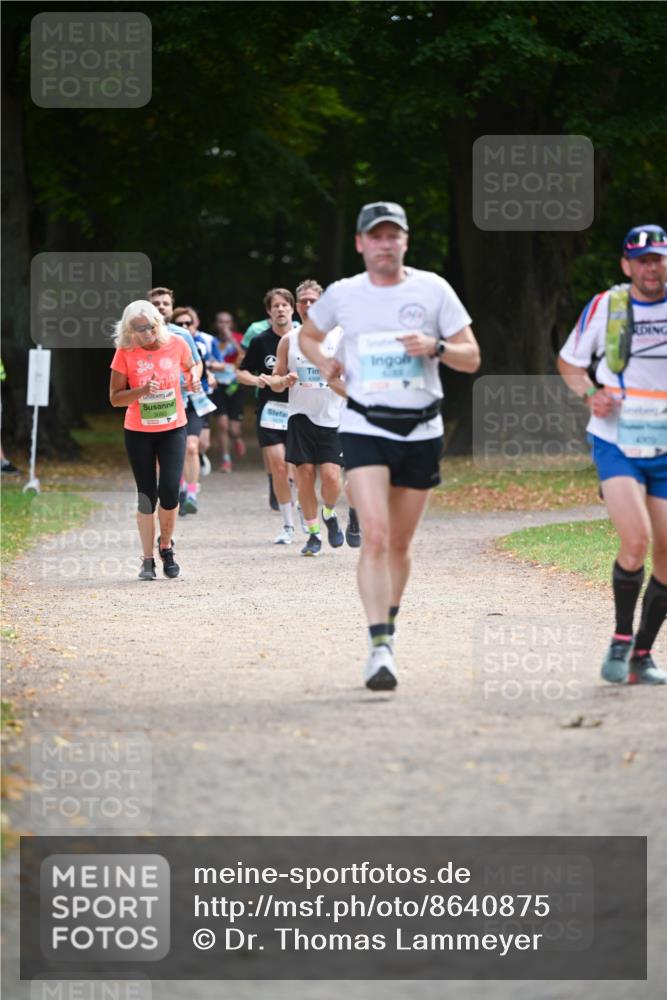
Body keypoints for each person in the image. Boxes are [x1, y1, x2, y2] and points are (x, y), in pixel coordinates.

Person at [300, 201, 481, 690]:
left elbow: (471, 357)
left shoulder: (433, 289)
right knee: (375, 535)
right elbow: (309, 336)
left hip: (422, 428)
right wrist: (326, 363)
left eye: (392, 235)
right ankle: (379, 648)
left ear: (404, 241)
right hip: (364, 425)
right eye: (375, 236)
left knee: (400, 542)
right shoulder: (343, 294)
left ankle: (389, 630)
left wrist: (436, 347)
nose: (385, 243)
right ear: (360, 243)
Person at [557, 224, 667, 685]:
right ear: (627, 265)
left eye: (658, 258)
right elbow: (570, 363)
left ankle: (642, 654)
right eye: (641, 260)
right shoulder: (608, 306)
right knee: (636, 539)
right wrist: (589, 394)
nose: (651, 266)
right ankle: (621, 639)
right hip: (616, 439)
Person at [109, 300, 201, 580]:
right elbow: (115, 398)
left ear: (157, 324)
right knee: (147, 495)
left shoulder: (176, 343)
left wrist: (193, 379)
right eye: (136, 329)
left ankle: (166, 547)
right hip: (139, 431)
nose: (143, 333)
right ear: (128, 330)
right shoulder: (125, 352)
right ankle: (147, 559)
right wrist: (140, 391)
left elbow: (193, 365)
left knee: (170, 490)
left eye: (147, 327)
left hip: (173, 428)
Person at [270, 279, 350, 556]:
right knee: (304, 475)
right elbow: (276, 379)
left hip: (333, 416)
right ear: (297, 306)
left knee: (330, 477)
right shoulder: (289, 340)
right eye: (302, 301)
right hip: (300, 415)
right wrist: (284, 380)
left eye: (313, 301)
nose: (307, 305)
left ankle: (328, 513)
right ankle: (314, 533)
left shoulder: (340, 336)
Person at [237, 288, 297, 544]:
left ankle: (306, 514)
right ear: (269, 312)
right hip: (270, 410)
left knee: (298, 469)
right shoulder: (260, 341)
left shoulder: (304, 339)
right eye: (276, 306)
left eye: (285, 305)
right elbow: (242, 373)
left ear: (292, 309)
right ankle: (288, 525)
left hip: (299, 411)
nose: (280, 309)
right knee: (279, 466)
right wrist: (259, 381)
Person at [148, 288, 203, 516]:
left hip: (183, 402)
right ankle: (173, 491)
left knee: (191, 448)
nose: (161, 307)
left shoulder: (182, 335)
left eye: (165, 303)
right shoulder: (139, 336)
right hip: (154, 405)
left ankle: (191, 493)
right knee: (161, 459)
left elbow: (195, 363)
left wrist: (195, 377)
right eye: (156, 303)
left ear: (172, 308)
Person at [212, 310, 247, 472]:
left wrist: (231, 338)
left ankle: (237, 438)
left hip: (235, 386)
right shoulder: (212, 341)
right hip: (218, 385)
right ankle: (226, 459)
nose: (224, 325)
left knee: (233, 428)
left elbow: (243, 356)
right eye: (221, 322)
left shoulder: (239, 338)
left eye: (227, 322)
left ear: (231, 324)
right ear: (216, 324)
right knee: (222, 424)